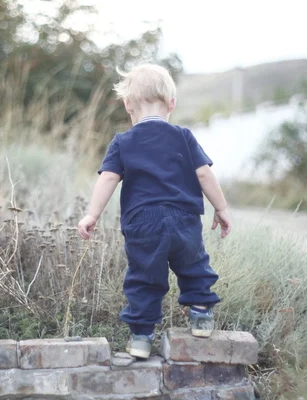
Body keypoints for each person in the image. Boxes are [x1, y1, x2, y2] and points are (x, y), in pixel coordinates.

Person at [77, 63, 232, 359]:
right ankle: (200, 315)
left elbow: (108, 178)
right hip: (184, 218)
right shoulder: (184, 136)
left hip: (142, 223)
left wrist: (92, 215)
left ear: (128, 105)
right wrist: (221, 208)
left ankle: (141, 338)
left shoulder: (122, 141)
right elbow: (204, 174)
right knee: (194, 264)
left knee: (144, 278)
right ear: (172, 103)